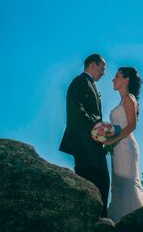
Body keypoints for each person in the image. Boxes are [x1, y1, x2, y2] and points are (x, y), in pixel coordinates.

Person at [59, 54, 110, 218]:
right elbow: (76, 107)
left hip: (91, 143)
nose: (104, 73)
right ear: (92, 65)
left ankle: (99, 220)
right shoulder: (81, 81)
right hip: (84, 144)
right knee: (95, 182)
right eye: (102, 68)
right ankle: (96, 222)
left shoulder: (90, 84)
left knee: (101, 182)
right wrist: (96, 126)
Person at [105, 66, 143, 221]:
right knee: (118, 187)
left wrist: (112, 140)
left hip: (126, 147)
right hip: (117, 148)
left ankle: (133, 223)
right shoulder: (122, 100)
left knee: (127, 185)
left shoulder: (128, 98)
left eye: (117, 76)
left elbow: (132, 125)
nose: (113, 79)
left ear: (126, 79)